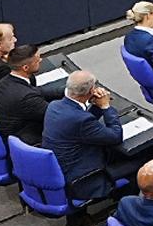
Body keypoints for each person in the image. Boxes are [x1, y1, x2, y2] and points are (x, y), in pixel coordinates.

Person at [43, 70, 140, 200]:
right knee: (141, 160)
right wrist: (106, 107)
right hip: (83, 179)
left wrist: (95, 105)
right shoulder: (80, 120)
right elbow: (116, 136)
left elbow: (82, 124)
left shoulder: (54, 106)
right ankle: (127, 205)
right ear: (91, 91)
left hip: (61, 169)